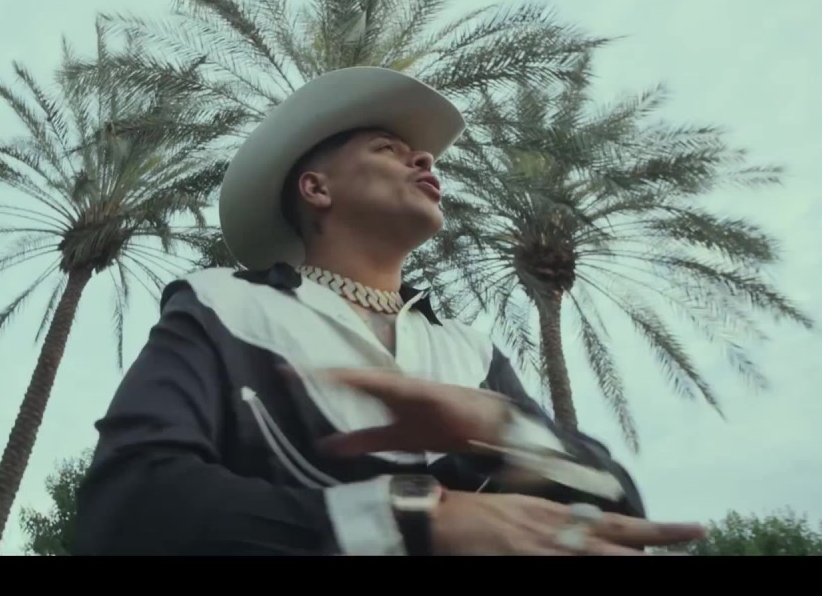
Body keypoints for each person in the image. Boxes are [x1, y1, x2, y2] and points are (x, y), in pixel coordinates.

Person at [74, 67, 705, 556]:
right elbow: (129, 502)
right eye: (387, 149)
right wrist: (412, 518)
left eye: (422, 155)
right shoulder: (223, 304)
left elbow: (616, 511)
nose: (425, 160)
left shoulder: (470, 353)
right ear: (316, 188)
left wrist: (508, 431)